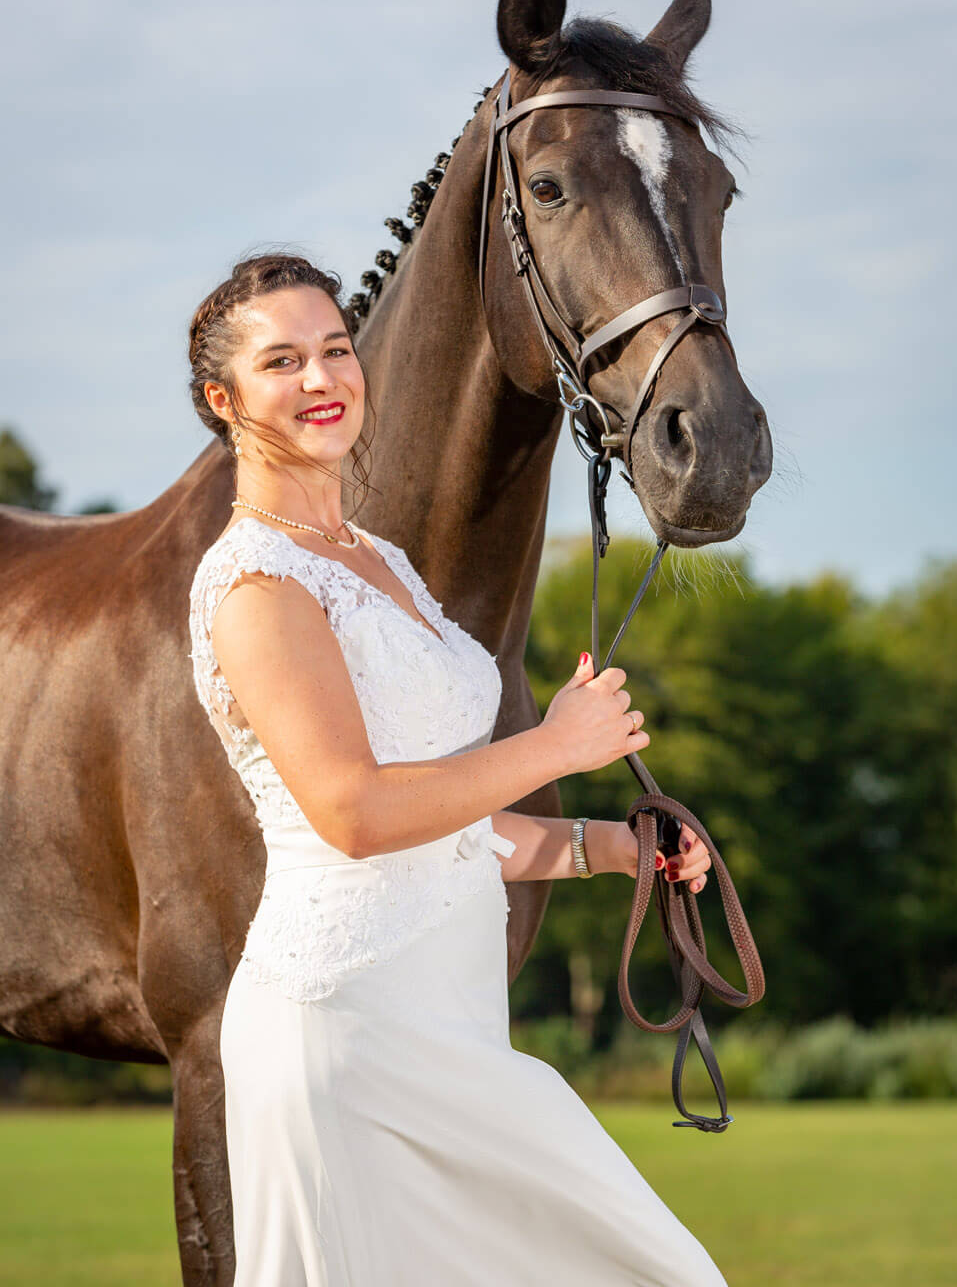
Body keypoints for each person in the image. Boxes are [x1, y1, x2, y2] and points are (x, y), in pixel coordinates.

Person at [186, 251, 723, 1286]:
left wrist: (616, 848)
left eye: (337, 349)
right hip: (343, 1036)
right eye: (282, 361)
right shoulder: (257, 585)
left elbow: (451, 832)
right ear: (225, 399)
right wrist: (556, 746)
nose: (321, 378)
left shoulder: (377, 559)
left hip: (452, 1025)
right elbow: (353, 813)